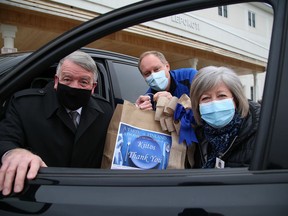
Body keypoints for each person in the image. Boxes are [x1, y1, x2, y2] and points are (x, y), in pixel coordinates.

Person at [0, 51, 113, 195]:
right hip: (39, 194)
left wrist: (142, 112)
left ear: (93, 87)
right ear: (56, 81)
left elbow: (120, 141)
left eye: (83, 82)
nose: (74, 87)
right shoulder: (25, 106)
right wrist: (14, 153)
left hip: (88, 195)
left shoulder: (106, 110)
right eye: (67, 79)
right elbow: (5, 138)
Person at [189, 66, 261, 168]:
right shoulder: (196, 138)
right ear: (197, 105)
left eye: (221, 96)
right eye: (206, 98)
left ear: (235, 99)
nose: (214, 103)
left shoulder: (261, 132)